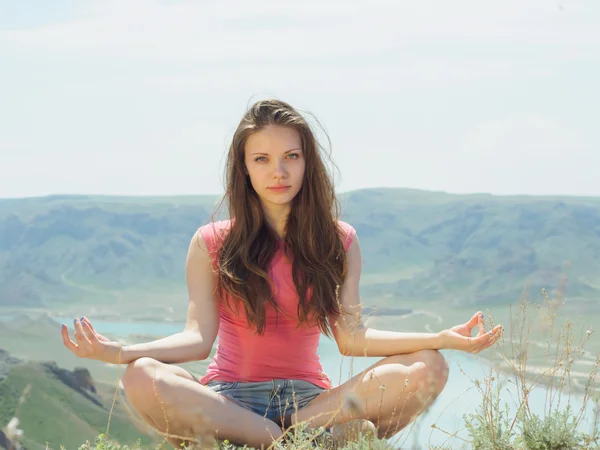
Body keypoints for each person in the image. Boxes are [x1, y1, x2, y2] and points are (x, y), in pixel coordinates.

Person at [61, 99, 503, 449]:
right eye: (262, 159)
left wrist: (440, 339)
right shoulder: (211, 241)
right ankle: (279, 441)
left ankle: (287, 432)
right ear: (244, 167)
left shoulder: (339, 239)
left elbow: (350, 338)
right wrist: (121, 352)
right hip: (227, 398)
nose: (279, 171)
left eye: (291, 155)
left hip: (310, 402)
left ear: (307, 162)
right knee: (140, 377)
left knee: (430, 367)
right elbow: (197, 339)